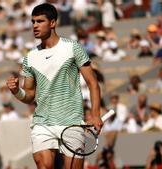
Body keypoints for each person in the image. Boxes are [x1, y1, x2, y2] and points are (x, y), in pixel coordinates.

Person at [6, 3, 102, 169]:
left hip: (71, 121)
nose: (35, 25)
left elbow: (93, 83)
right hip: (42, 122)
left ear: (52, 23)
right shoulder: (30, 58)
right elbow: (29, 95)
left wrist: (95, 114)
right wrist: (16, 91)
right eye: (33, 22)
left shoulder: (72, 47)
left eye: (40, 21)